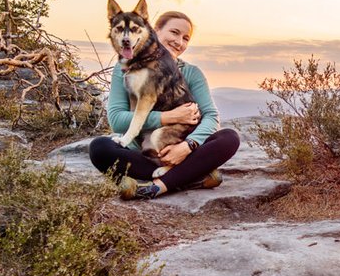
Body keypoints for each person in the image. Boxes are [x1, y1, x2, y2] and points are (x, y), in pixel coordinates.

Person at [88, 10, 240, 199]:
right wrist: (167, 117)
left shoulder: (192, 73)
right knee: (100, 148)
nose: (180, 42)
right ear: (155, 30)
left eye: (186, 38)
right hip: (143, 154)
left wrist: (187, 146)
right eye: (174, 33)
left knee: (229, 138)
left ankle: (155, 186)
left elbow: (211, 116)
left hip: (184, 152)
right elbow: (117, 120)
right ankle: (191, 178)